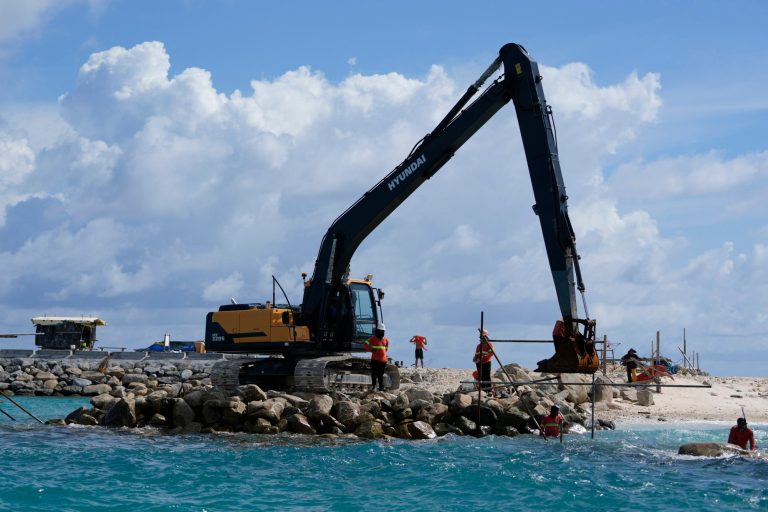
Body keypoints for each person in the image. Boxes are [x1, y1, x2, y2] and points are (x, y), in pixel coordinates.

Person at [363, 323, 390, 392]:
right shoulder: (373, 338)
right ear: (377, 331)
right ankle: (374, 386)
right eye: (381, 331)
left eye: (383, 331)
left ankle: (381, 387)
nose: (382, 332)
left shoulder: (386, 340)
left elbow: (386, 349)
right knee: (374, 374)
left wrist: (382, 352)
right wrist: (371, 349)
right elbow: (365, 343)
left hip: (383, 361)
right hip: (375, 359)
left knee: (380, 374)